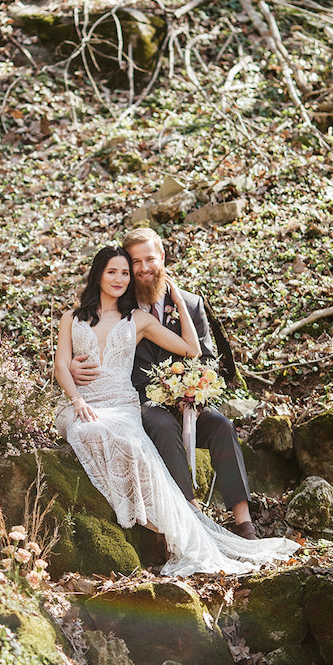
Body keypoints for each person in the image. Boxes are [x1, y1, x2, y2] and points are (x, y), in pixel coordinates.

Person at [54, 245, 297, 575]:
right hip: (101, 402)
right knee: (91, 429)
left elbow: (193, 350)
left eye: (126, 272)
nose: (122, 277)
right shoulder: (71, 317)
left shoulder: (137, 318)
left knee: (198, 431)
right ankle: (163, 513)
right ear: (98, 273)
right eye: (114, 271)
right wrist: (76, 396)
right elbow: (60, 366)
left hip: (139, 402)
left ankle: (227, 524)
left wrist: (179, 300)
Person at [71, 227, 261, 539]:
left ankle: (244, 521)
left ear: (162, 258)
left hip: (188, 400)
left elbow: (208, 359)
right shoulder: (120, 307)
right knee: (162, 424)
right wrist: (76, 365)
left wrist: (194, 390)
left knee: (223, 427)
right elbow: (97, 343)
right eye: (135, 262)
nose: (144, 268)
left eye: (150, 259)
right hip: (140, 400)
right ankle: (189, 511)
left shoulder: (191, 303)